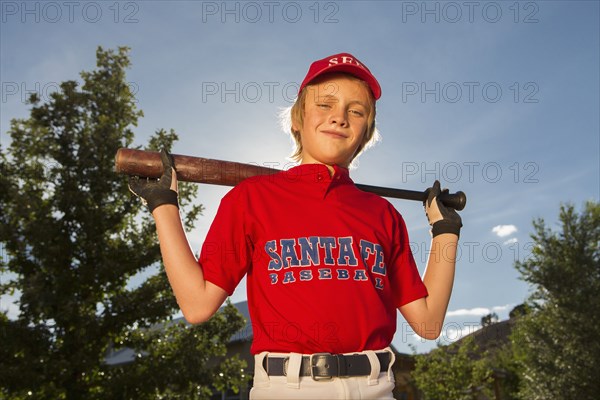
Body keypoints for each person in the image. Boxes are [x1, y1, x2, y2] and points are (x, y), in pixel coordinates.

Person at [129, 52, 462, 399]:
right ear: (298, 119)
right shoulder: (251, 199)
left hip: (376, 387)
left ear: (365, 134)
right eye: (325, 104)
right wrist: (163, 205)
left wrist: (445, 232)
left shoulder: (382, 214)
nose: (339, 117)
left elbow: (427, 323)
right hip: (288, 388)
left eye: (356, 110)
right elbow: (197, 305)